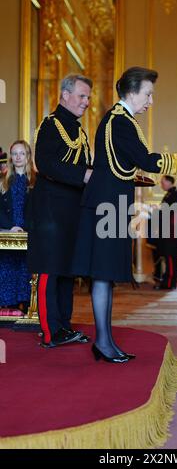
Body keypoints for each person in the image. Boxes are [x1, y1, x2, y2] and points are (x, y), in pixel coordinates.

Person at [72, 66, 177, 363]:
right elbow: (145, 159)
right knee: (102, 276)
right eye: (148, 94)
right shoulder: (121, 122)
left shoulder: (118, 120)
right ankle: (104, 343)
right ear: (131, 92)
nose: (150, 101)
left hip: (111, 203)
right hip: (107, 206)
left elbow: (122, 166)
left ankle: (106, 342)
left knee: (105, 276)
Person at [27, 74, 94, 348]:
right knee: (49, 270)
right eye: (82, 96)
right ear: (65, 95)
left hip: (72, 212)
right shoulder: (50, 125)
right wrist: (84, 175)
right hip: (49, 212)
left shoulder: (78, 131)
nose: (87, 102)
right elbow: (45, 164)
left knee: (68, 270)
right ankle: (49, 331)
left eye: (88, 97)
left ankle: (64, 327)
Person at [0, 140, 35, 310]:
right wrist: (10, 227)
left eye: (22, 153)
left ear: (28, 156)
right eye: (14, 153)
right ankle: (9, 305)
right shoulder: (4, 181)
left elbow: (39, 209)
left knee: (26, 269)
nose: (18, 157)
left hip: (30, 232)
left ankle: (27, 303)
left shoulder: (36, 181)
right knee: (8, 267)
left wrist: (27, 227)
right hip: (9, 232)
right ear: (11, 157)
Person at [154, 175, 177, 290]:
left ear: (169, 182)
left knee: (170, 257)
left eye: (163, 182)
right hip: (166, 230)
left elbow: (174, 214)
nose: (161, 185)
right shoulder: (169, 195)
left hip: (171, 231)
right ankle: (166, 281)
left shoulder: (175, 195)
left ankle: (170, 283)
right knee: (167, 256)